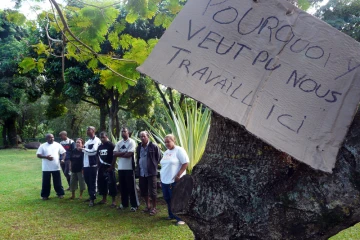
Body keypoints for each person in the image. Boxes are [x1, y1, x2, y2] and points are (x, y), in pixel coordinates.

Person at [160, 134, 189, 225]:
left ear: (173, 141)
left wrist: (178, 175)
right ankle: (171, 214)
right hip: (165, 180)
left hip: (174, 181)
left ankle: (180, 218)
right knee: (167, 198)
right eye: (165, 142)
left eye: (168, 141)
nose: (166, 144)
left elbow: (185, 163)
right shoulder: (166, 152)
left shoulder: (179, 150)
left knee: (176, 199)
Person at [135, 131, 162, 216]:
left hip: (151, 172)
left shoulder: (153, 146)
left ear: (148, 137)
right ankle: (148, 205)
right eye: (141, 137)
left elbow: (159, 157)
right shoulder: (139, 147)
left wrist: (153, 165)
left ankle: (154, 208)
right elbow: (138, 157)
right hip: (142, 172)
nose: (142, 138)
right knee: (143, 190)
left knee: (152, 191)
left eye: (144, 136)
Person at [113, 127, 139, 212]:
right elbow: (114, 153)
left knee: (131, 187)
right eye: (122, 131)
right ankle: (124, 203)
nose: (123, 133)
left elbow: (130, 154)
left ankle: (134, 205)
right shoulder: (119, 143)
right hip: (121, 168)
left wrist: (119, 154)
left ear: (128, 133)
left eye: (125, 131)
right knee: (122, 186)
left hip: (129, 168)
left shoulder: (131, 142)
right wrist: (124, 152)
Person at [36, 133, 66, 200]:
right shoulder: (43, 146)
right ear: (46, 139)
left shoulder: (57, 144)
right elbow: (38, 155)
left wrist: (63, 159)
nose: (51, 139)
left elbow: (63, 152)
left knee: (57, 182)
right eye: (50, 138)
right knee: (46, 182)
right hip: (46, 168)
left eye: (52, 137)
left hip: (56, 166)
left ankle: (60, 193)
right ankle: (45, 195)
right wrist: (46, 157)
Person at [82, 126, 101, 207]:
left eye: (88, 129)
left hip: (93, 165)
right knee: (87, 181)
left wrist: (82, 149)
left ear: (93, 131)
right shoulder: (87, 141)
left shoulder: (97, 140)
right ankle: (91, 195)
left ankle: (92, 199)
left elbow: (94, 151)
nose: (87, 131)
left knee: (92, 181)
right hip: (86, 165)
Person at [96, 131, 117, 207]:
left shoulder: (111, 145)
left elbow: (115, 156)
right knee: (102, 183)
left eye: (103, 137)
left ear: (107, 136)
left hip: (109, 167)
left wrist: (112, 166)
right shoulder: (100, 146)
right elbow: (97, 155)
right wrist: (98, 165)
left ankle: (113, 201)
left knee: (111, 184)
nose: (102, 139)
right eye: (101, 137)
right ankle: (104, 199)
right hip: (101, 168)